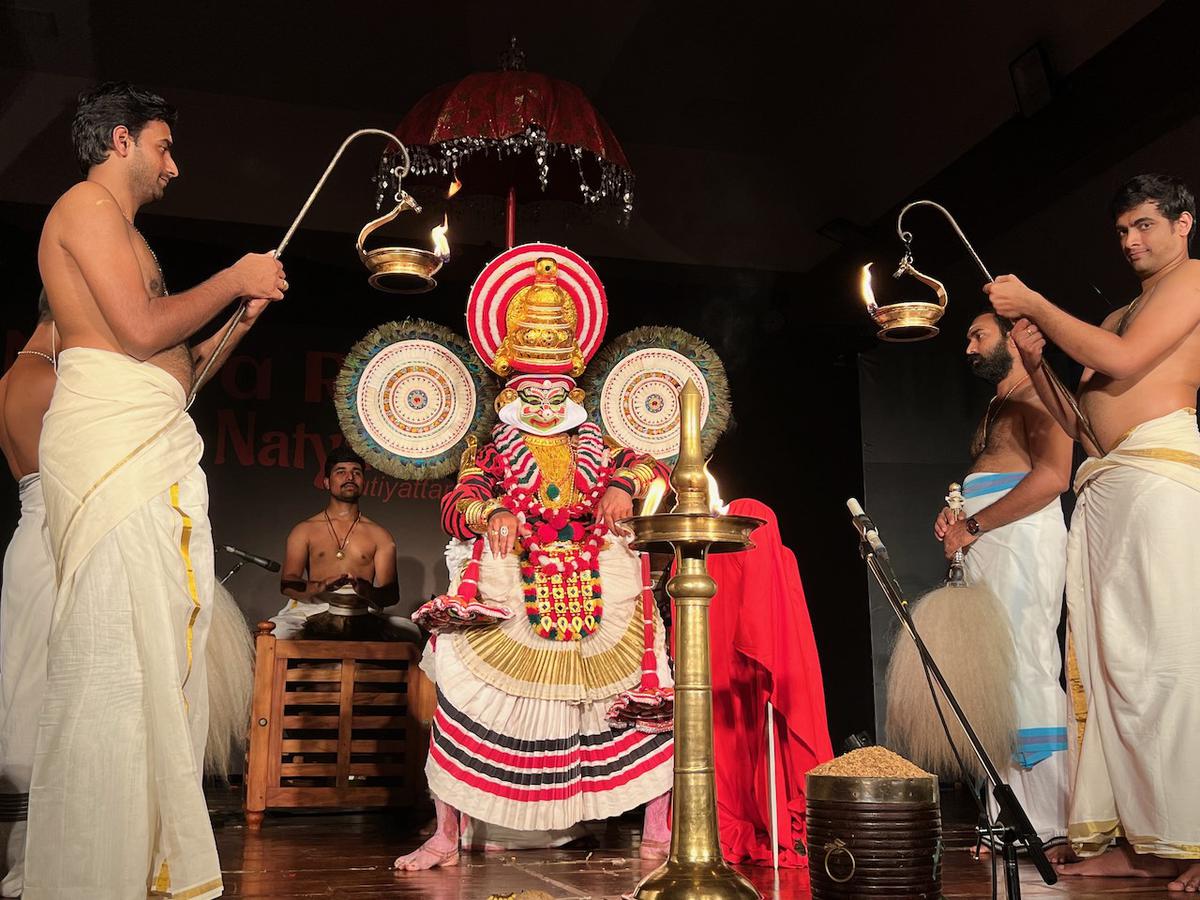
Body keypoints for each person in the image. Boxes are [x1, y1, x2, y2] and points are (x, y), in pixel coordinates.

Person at [26, 81, 285, 899]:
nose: (176, 165)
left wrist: (236, 318)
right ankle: (92, 873)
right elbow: (139, 331)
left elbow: (178, 369)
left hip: (149, 432)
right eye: (164, 146)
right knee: (115, 662)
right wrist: (234, 271)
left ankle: (134, 862)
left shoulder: (129, 236)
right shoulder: (85, 205)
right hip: (112, 445)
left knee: (147, 662)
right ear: (119, 141)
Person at [393, 256, 674, 871]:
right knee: (468, 698)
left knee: (635, 700)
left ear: (572, 392)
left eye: (555, 393)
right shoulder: (489, 445)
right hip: (515, 582)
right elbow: (459, 501)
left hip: (596, 585)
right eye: (531, 393)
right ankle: (446, 834)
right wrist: (490, 510)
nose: (545, 404)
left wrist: (623, 485)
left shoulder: (598, 443)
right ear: (510, 392)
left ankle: (659, 832)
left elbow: (654, 464)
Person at [988, 173, 1200, 891]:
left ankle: (1197, 840)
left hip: (1160, 479)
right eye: (1122, 231)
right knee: (1116, 672)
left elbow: (1126, 364)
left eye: (1144, 225)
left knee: (1170, 662)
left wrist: (1039, 305)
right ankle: (1146, 844)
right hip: (1108, 486)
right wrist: (1041, 363)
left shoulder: (1192, 281)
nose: (1132, 242)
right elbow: (1080, 424)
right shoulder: (1119, 314)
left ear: (1183, 224)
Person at [933, 312, 1073, 850]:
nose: (969, 346)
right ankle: (1010, 816)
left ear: (1017, 336)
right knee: (994, 670)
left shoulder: (1040, 390)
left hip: (1020, 540)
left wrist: (973, 523)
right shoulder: (1000, 400)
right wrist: (956, 516)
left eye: (978, 335)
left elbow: (1052, 476)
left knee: (1027, 661)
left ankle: (1048, 818)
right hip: (989, 538)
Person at [705, 498, 833, 868]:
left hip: (725, 680)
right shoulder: (778, 557)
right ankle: (771, 816)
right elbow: (771, 630)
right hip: (759, 669)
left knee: (732, 745)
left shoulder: (707, 561)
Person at [0, 294, 57, 897]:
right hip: (53, 537)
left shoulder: (13, 374)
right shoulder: (49, 378)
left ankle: (20, 858)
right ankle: (29, 863)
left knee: (21, 686)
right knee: (40, 693)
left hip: (28, 536)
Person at [272, 446, 417, 641]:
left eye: (356, 472)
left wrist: (368, 591)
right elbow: (288, 584)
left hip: (363, 612)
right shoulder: (304, 530)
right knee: (276, 634)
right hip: (311, 609)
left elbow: (391, 594)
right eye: (341, 472)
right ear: (326, 482)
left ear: (363, 482)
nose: (350, 477)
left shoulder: (380, 535)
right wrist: (322, 585)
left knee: (411, 634)